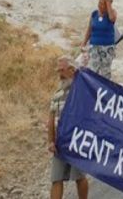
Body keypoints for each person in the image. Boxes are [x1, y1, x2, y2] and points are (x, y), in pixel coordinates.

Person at [48, 56, 88, 199]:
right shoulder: (57, 94)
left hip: (77, 141)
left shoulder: (81, 89)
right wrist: (51, 141)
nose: (59, 73)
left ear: (71, 70)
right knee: (56, 178)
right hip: (60, 142)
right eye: (58, 70)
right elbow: (51, 119)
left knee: (79, 176)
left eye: (62, 70)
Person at [80, 0, 117, 78]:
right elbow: (89, 29)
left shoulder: (112, 13)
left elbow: (112, 19)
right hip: (94, 46)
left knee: (105, 71)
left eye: (102, 4)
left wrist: (108, 4)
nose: (100, 6)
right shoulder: (94, 14)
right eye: (99, 3)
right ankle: (93, 89)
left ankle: (106, 89)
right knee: (93, 69)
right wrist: (84, 42)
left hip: (107, 47)